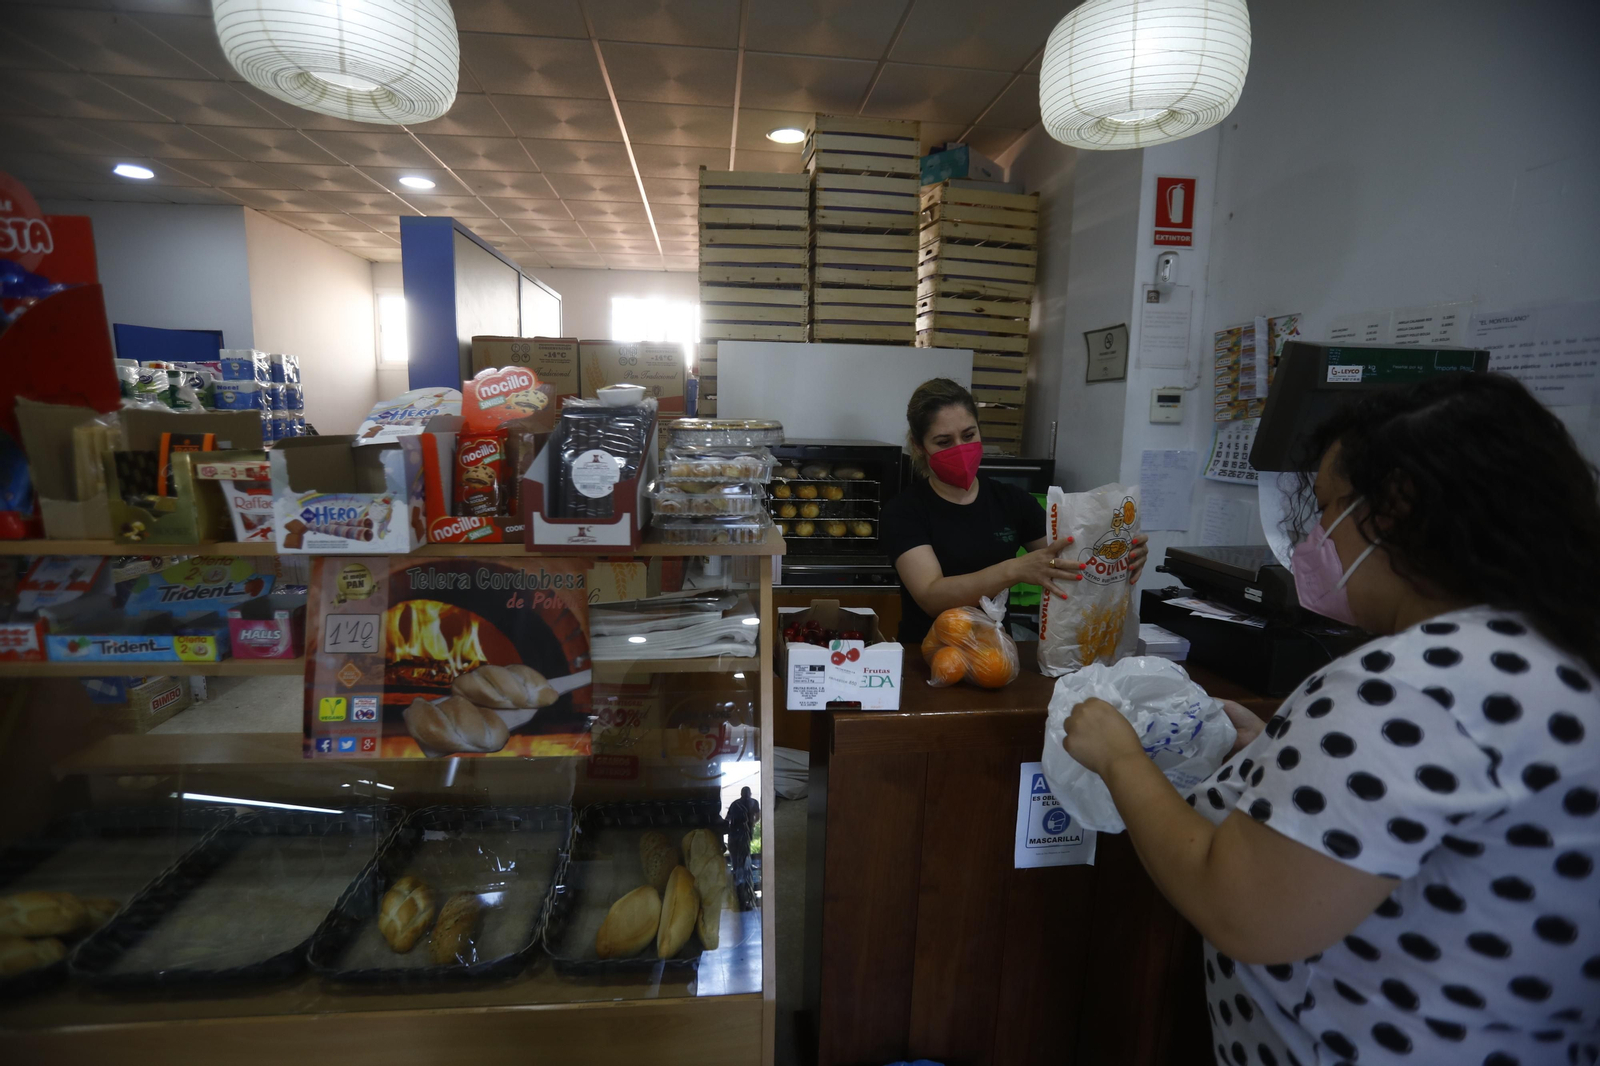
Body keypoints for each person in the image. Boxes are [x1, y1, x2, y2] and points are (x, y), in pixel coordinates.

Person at [1059, 372, 1600, 1066]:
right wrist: (1272, 756)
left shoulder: (1409, 686)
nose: (1316, 539)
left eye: (1328, 509)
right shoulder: (1550, 647)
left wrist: (1119, 757)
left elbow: (1239, 908)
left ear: (1397, 509)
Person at [880, 378, 1148, 644]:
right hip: (930, 656)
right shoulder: (904, 512)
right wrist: (1013, 570)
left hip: (998, 656)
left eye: (969, 435)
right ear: (918, 445)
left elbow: (1068, 558)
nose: (961, 449)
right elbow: (931, 596)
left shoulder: (1010, 500)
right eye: (944, 441)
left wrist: (1117, 555)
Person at [727, 785, 761, 909]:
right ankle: (744, 899)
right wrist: (750, 823)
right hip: (740, 839)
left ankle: (744, 899)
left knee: (741, 868)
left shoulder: (736, 804)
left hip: (739, 839)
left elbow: (728, 819)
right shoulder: (752, 803)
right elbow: (757, 817)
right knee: (742, 868)